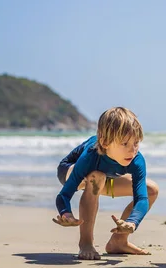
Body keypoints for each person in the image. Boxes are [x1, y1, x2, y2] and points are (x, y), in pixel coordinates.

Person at [53, 107, 159, 260]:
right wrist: (66, 213)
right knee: (97, 176)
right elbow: (64, 195)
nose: (132, 150)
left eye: (136, 143)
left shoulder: (136, 160)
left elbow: (141, 198)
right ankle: (86, 243)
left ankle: (118, 242)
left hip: (108, 177)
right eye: (124, 144)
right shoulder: (90, 155)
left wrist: (132, 222)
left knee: (151, 190)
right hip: (70, 171)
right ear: (105, 142)